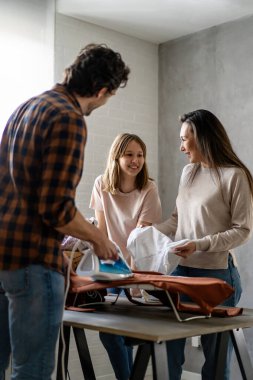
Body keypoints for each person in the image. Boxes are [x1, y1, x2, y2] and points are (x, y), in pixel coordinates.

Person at [0, 43, 130, 380]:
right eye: (108, 97)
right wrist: (99, 239)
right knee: (33, 370)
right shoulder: (68, 117)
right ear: (102, 90)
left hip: (3, 257)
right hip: (32, 261)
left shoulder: (25, 108)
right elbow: (56, 208)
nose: (103, 103)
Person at [155, 109, 253, 380]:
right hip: (183, 274)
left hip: (218, 276)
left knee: (216, 361)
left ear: (203, 138)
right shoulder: (188, 173)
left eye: (185, 139)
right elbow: (176, 220)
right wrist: (147, 232)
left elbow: (243, 231)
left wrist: (199, 244)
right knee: (167, 347)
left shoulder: (234, 176)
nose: (181, 146)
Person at [90, 132, 162, 380]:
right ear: (116, 157)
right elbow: (100, 231)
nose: (136, 160)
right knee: (109, 333)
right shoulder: (101, 184)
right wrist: (104, 269)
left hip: (138, 271)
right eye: (129, 154)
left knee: (137, 335)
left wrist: (134, 279)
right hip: (111, 271)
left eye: (140, 155)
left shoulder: (149, 189)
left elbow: (140, 240)